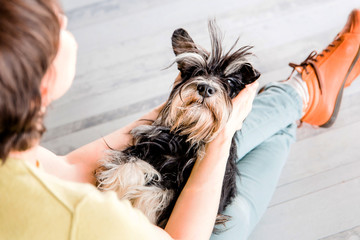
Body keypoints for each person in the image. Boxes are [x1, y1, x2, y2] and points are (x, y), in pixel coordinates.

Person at [0, 0, 359, 238]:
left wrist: (175, 108)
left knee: (194, 137)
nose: (64, 19)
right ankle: (303, 91)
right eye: (58, 26)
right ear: (43, 83)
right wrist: (221, 135)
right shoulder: (85, 219)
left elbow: (73, 166)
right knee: (234, 216)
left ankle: (305, 94)